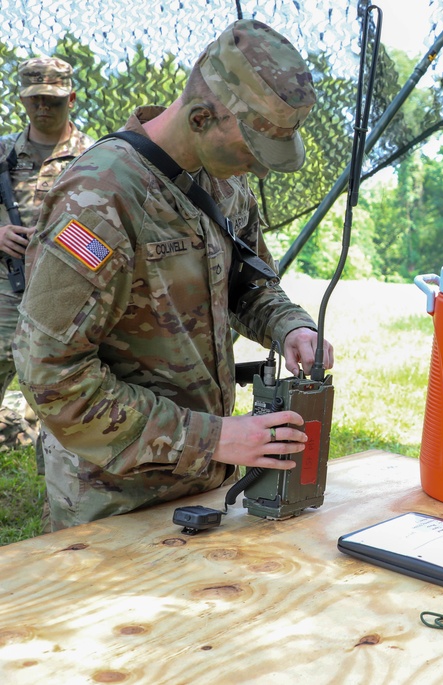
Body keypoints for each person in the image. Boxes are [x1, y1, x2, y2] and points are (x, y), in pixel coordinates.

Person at [12, 19, 334, 531]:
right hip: (115, 500)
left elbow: (249, 281)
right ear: (202, 117)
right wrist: (214, 438)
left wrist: (289, 325)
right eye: (252, 150)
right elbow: (51, 375)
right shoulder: (99, 200)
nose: (260, 169)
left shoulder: (225, 184)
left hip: (207, 487)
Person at [0, 57, 93, 450]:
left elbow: (108, 234)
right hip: (6, 290)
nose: (43, 107)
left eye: (53, 100)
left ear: (71, 98)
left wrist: (61, 242)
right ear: (21, 99)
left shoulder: (95, 156)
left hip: (64, 295)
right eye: (35, 98)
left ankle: (55, 479)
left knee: (62, 390)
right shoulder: (3, 153)